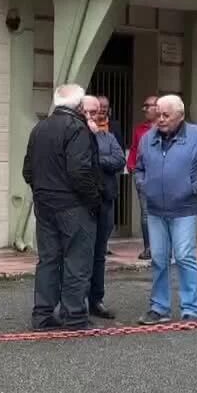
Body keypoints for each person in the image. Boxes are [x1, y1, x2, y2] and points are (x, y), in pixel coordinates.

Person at [133, 94, 197, 325]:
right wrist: (143, 184)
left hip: (185, 209)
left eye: (166, 115)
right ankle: (159, 308)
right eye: (158, 114)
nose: (161, 119)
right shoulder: (147, 139)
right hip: (155, 209)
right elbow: (139, 167)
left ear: (181, 116)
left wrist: (194, 186)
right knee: (158, 259)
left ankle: (193, 310)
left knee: (184, 257)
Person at [23, 84, 100, 331]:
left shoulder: (39, 127)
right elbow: (79, 171)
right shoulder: (77, 128)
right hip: (72, 204)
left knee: (48, 260)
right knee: (76, 260)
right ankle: (75, 316)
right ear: (79, 106)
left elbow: (27, 170)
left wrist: (42, 190)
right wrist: (94, 199)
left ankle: (43, 314)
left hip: (44, 203)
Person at [84, 94, 123, 320]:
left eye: (99, 111)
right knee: (81, 253)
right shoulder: (78, 137)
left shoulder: (107, 137)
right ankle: (76, 299)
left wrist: (99, 160)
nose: (97, 115)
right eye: (92, 112)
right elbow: (83, 163)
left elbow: (119, 160)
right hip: (84, 203)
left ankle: (96, 299)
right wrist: (100, 160)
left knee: (100, 254)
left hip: (105, 200)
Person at [127, 94, 158, 260]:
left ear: (157, 107)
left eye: (148, 105)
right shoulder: (140, 129)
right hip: (143, 175)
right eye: (144, 106)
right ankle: (148, 248)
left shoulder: (165, 127)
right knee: (146, 213)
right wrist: (132, 167)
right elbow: (134, 149)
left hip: (162, 177)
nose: (145, 109)